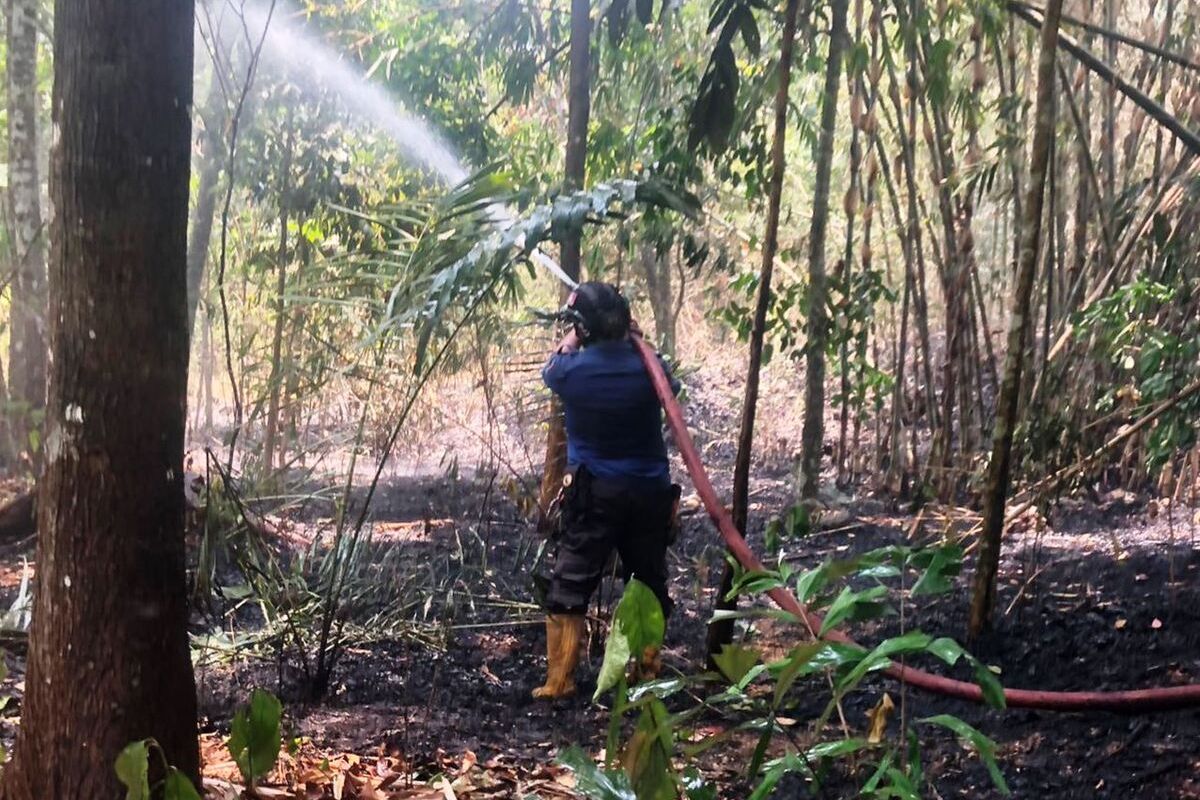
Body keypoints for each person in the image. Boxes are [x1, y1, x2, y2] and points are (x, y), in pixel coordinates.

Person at [532, 281, 680, 700]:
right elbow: (670, 384)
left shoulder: (572, 372)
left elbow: (552, 368)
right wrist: (637, 339)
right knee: (648, 582)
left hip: (595, 495)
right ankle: (647, 674)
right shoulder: (648, 370)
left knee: (569, 586)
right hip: (649, 495)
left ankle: (559, 681)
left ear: (584, 328)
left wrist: (575, 335)